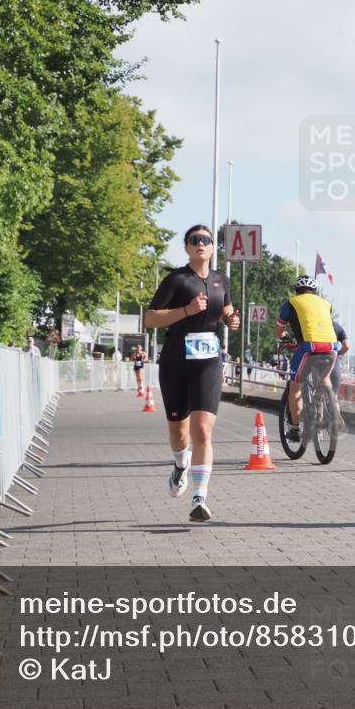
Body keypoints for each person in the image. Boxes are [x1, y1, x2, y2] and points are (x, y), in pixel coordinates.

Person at [144, 224, 240, 522]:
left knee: (202, 430)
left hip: (208, 362)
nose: (201, 244)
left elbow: (226, 308)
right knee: (179, 433)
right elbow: (150, 318)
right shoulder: (177, 279)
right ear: (186, 247)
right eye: (194, 240)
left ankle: (199, 497)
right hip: (175, 362)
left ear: (213, 248)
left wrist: (231, 319)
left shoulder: (220, 280)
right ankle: (180, 464)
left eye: (206, 240)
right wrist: (185, 311)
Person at [273, 276, 341, 440]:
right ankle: (331, 412)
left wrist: (284, 337)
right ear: (314, 291)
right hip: (331, 348)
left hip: (308, 347)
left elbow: (278, 330)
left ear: (296, 291)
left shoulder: (291, 303)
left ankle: (295, 429)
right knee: (324, 378)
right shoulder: (326, 304)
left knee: (295, 386)